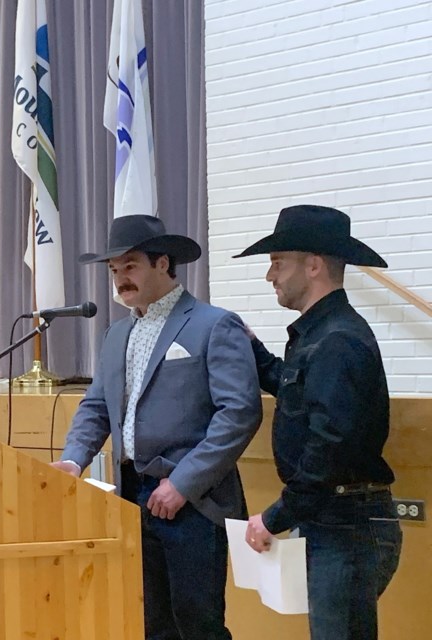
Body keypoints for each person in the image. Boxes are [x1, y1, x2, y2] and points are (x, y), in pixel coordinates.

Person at [52, 214, 262, 640]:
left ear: (163, 264)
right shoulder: (115, 334)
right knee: (151, 623)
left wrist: (183, 483)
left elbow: (239, 413)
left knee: (197, 623)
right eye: (113, 270)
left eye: (129, 266)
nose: (120, 279)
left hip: (193, 501)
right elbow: (96, 407)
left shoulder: (213, 324)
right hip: (131, 496)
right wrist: (73, 460)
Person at [234, 205, 402, 640]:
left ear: (312, 265)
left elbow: (329, 446)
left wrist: (274, 517)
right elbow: (299, 397)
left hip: (346, 525)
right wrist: (253, 349)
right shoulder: (323, 336)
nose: (270, 275)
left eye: (277, 262)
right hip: (338, 520)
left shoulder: (337, 342)